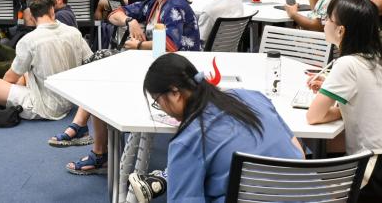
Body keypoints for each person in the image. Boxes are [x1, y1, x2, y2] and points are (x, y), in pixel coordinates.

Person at [65, 0, 200, 174]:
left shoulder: (174, 5)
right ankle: (89, 137)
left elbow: (171, 45)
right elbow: (114, 14)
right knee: (99, 68)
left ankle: (93, 143)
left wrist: (138, 46)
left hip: (177, 73)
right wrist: (131, 21)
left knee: (100, 72)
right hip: (161, 64)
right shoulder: (157, 1)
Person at [128, 54, 304, 202]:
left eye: (158, 102)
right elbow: (299, 152)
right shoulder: (253, 97)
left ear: (175, 93)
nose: (162, 108)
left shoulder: (188, 140)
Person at [306, 0, 382, 203]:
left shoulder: (347, 64)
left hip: (372, 169)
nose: (323, 23)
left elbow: (314, 116)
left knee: (309, 189)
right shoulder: (374, 57)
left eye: (328, 19)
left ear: (341, 30)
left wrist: (342, 105)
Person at [0, 0, 94, 121]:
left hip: (44, 106)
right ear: (52, 10)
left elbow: (10, 78)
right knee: (25, 74)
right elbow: (90, 62)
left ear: (32, 17)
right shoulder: (74, 32)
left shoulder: (29, 40)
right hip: (71, 100)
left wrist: (4, 88)